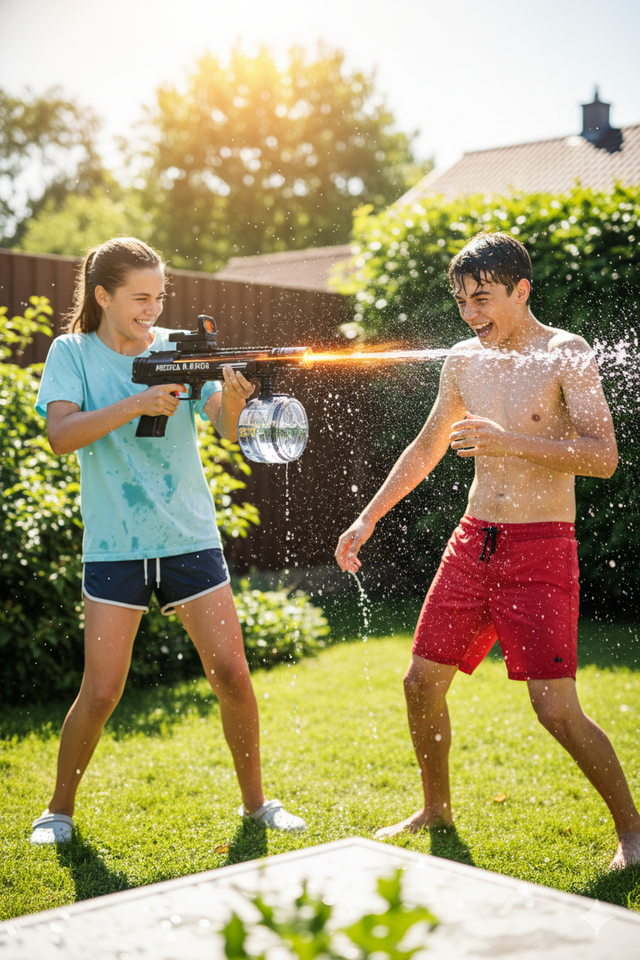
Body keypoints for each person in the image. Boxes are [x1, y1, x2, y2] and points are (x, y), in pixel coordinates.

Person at [335, 232, 640, 869]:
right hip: (473, 542)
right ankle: (435, 810)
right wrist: (367, 517)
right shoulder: (463, 361)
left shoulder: (567, 355)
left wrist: (508, 442)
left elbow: (603, 457)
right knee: (420, 683)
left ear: (521, 290)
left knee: (554, 711)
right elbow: (425, 447)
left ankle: (633, 832)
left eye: (483, 299)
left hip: (540, 547)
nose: (471, 315)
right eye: (461, 302)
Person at [30, 237, 306, 845]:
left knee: (232, 674)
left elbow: (227, 429)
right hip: (115, 544)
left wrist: (234, 399)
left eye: (159, 296)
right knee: (101, 691)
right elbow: (61, 435)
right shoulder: (71, 352)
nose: (152, 309)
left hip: (189, 538)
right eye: (139, 297)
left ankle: (257, 805)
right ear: (102, 295)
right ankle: (57, 811)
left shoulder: (181, 348)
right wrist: (136, 404)